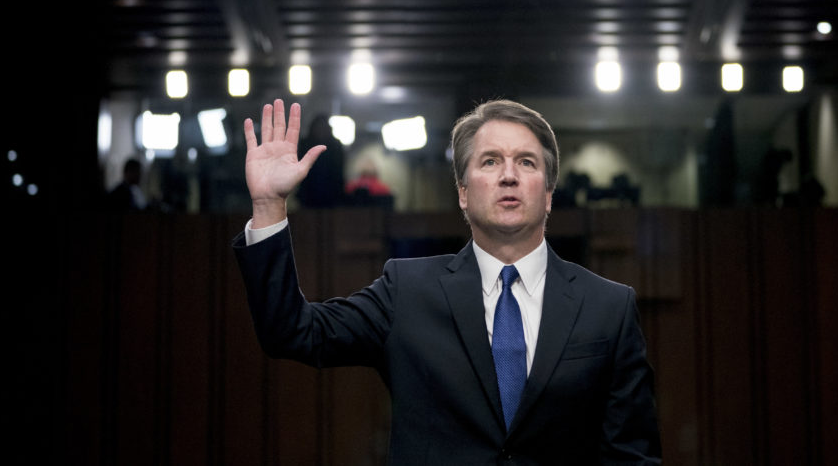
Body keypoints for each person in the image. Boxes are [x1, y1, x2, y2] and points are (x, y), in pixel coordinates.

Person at [233, 99, 662, 465]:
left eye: (526, 162)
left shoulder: (609, 307)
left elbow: (633, 456)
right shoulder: (407, 291)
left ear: (548, 193)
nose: (508, 175)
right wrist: (269, 205)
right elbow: (291, 332)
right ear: (462, 191)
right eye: (490, 161)